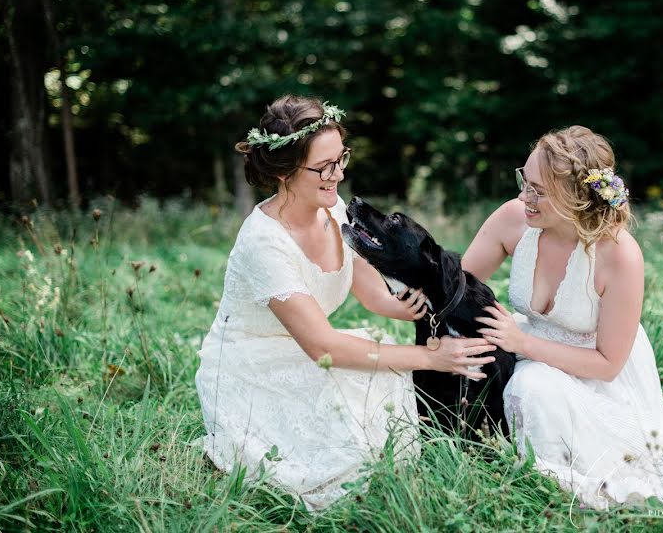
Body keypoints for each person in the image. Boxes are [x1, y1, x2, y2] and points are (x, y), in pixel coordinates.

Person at [194, 95, 496, 511]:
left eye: (341, 159)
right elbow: (323, 348)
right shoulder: (264, 244)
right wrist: (432, 357)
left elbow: (368, 288)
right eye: (323, 167)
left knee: (385, 391)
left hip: (313, 349)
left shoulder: (331, 206)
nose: (337, 175)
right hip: (254, 365)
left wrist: (407, 307)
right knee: (347, 447)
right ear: (284, 171)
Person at [462, 125, 663, 509]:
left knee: (531, 385)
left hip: (597, 376)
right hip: (527, 349)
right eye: (524, 181)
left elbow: (609, 363)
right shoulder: (513, 221)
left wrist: (522, 342)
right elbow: (456, 285)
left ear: (577, 196)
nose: (523, 196)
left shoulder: (618, 255)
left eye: (538, 191)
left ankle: (551, 482)